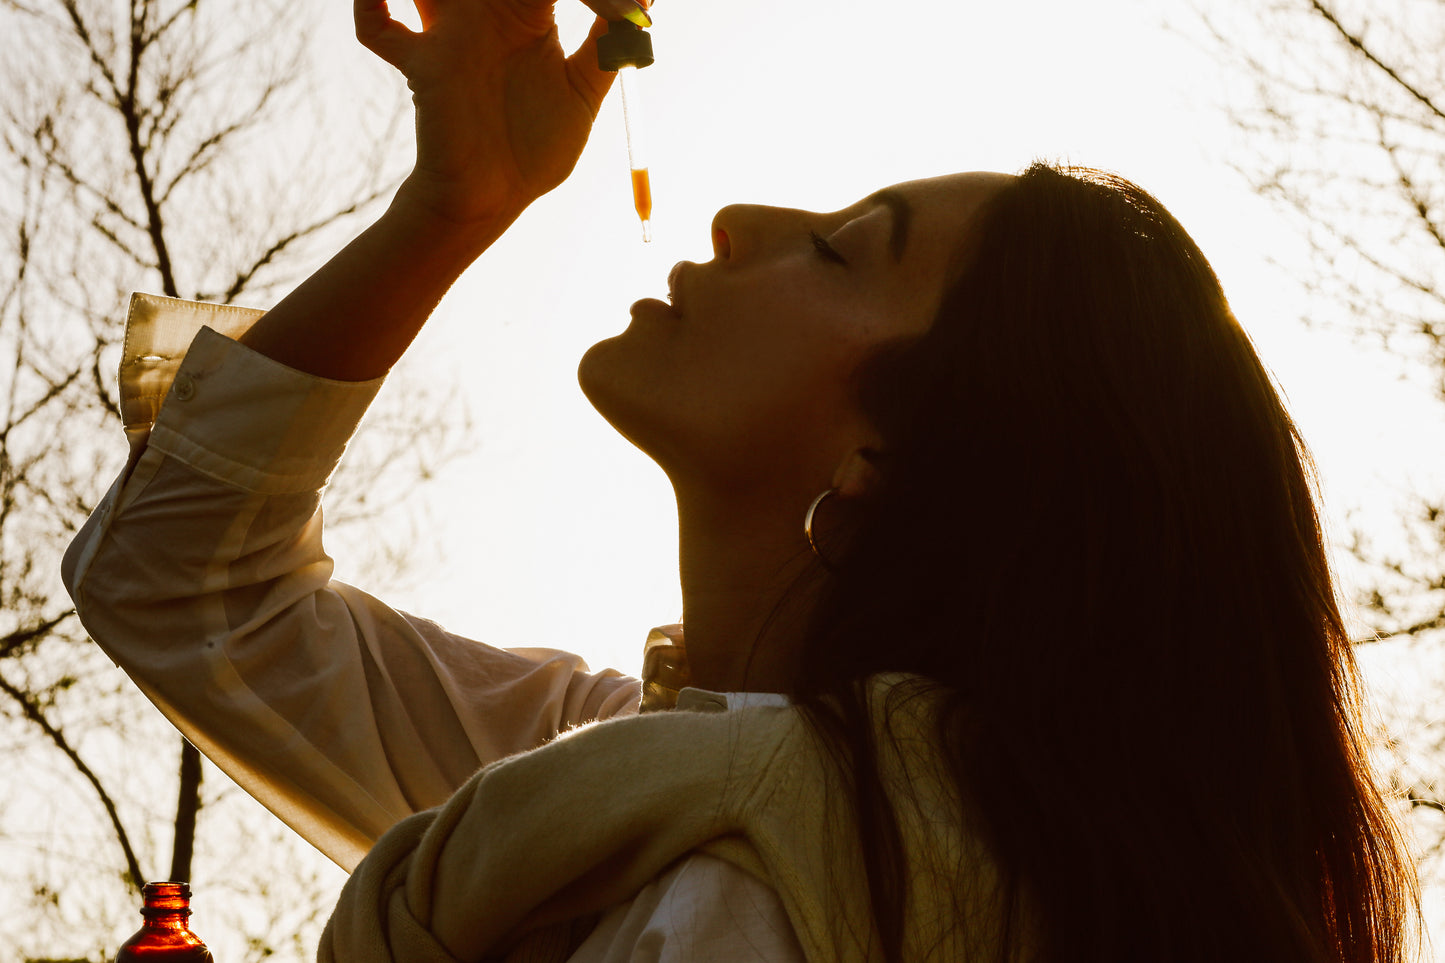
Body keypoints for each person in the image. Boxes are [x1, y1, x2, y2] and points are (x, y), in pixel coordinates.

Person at [62, 0, 1421, 959]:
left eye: (840, 250)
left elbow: (187, 596)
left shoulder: (775, 874)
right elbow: (178, 585)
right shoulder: (608, 779)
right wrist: (456, 201)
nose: (738, 219)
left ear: (884, 457)